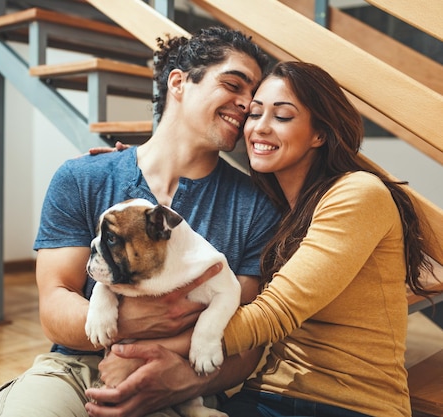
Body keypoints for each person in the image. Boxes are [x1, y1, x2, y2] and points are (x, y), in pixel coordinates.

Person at [87, 61, 439, 417]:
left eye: (282, 116)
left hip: (349, 402)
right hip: (267, 390)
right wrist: (133, 164)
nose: (260, 128)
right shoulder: (279, 206)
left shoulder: (357, 194)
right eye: (254, 114)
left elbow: (275, 313)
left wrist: (140, 353)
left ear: (319, 134)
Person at [0, 26, 281, 417]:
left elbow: (247, 341)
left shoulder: (255, 207)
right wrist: (126, 326)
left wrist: (183, 382)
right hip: (77, 369)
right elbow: (54, 307)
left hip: (183, 381)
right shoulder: (83, 177)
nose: (245, 105)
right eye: (233, 85)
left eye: (252, 99)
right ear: (179, 82)